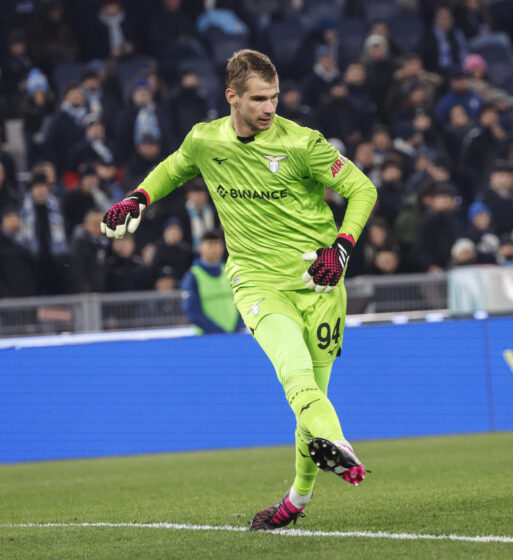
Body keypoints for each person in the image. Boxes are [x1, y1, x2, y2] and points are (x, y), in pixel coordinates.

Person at [100, 49, 377, 530]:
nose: (269, 108)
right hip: (256, 280)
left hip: (319, 280)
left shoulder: (303, 143)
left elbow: (363, 189)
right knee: (294, 373)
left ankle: (297, 499)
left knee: (311, 396)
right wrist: (137, 197)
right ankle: (341, 445)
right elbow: (174, 167)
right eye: (258, 99)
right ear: (232, 97)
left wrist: (342, 248)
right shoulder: (205, 140)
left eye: (274, 97)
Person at [180, 230, 242, 333]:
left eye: (218, 245)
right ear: (200, 248)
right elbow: (192, 312)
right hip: (207, 338)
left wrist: (238, 328)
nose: (214, 250)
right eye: (210, 246)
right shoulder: (193, 276)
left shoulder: (230, 271)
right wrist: (219, 332)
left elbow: (242, 301)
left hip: (234, 335)